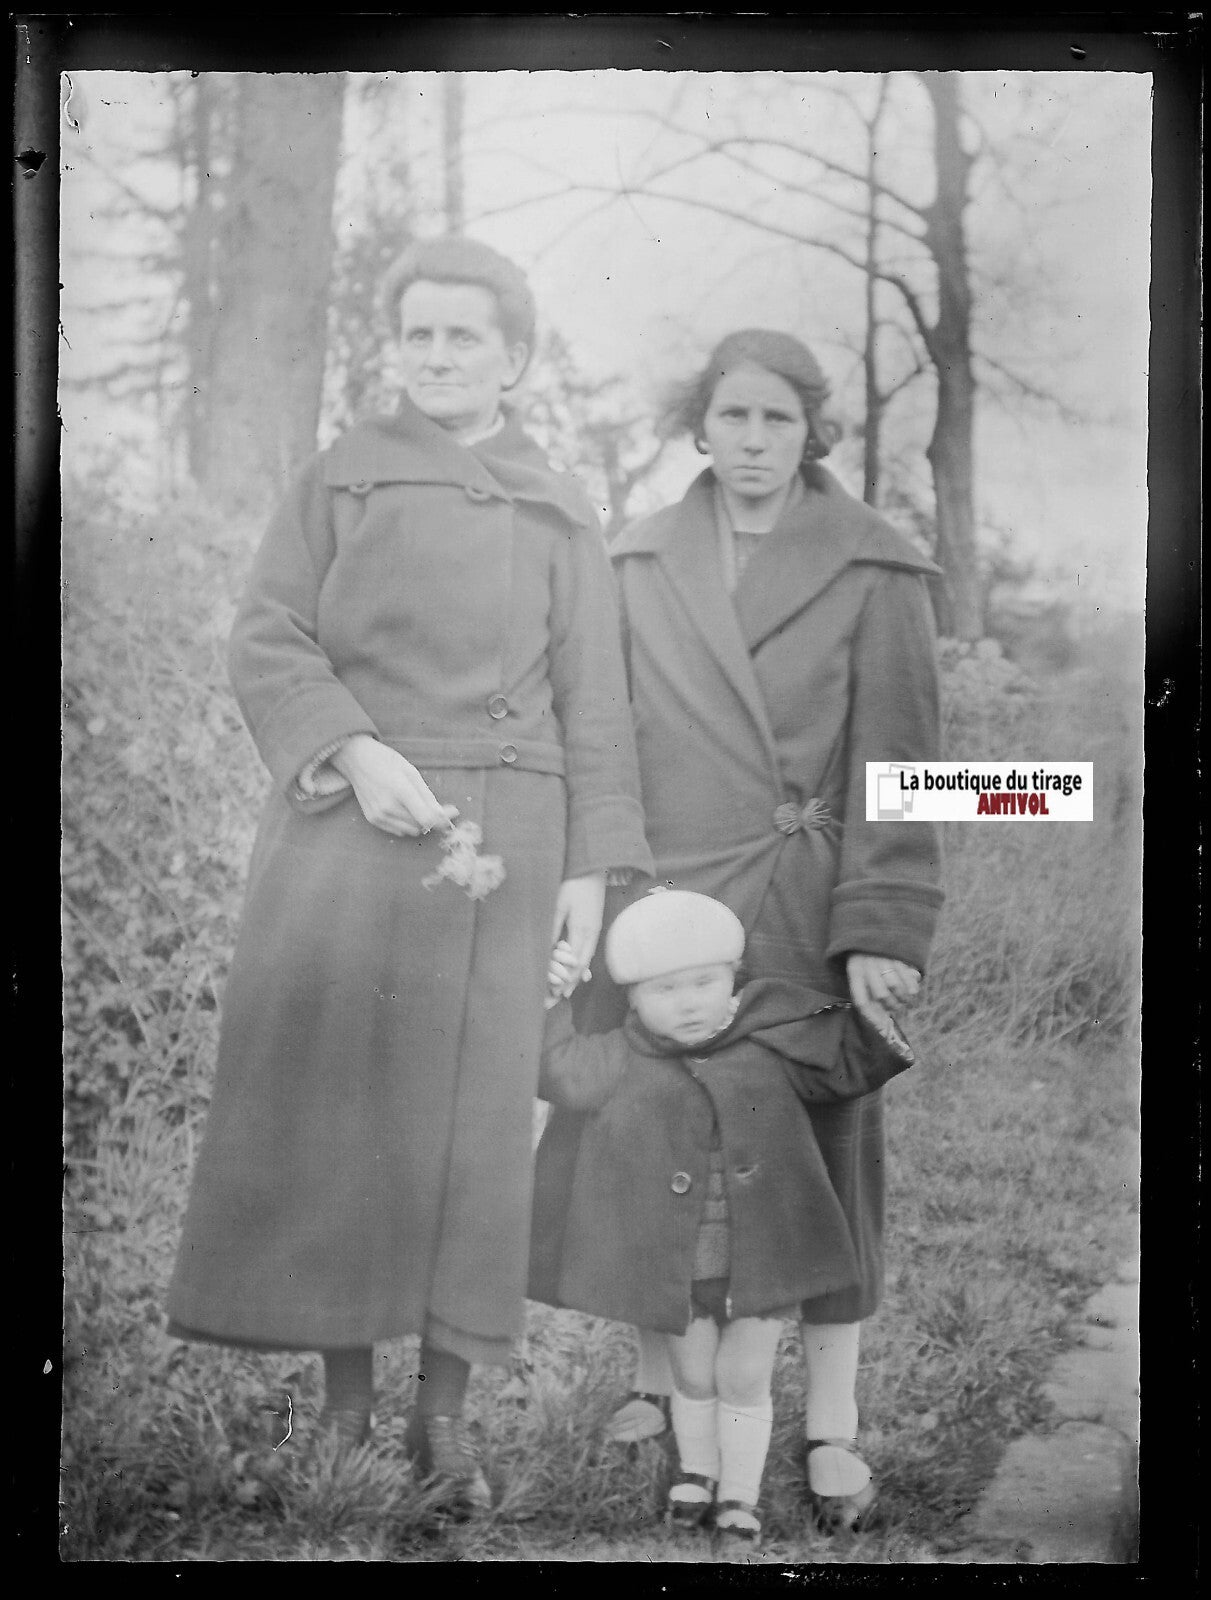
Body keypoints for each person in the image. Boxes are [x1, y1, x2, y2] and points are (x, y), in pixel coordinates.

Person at [166, 236, 652, 1512]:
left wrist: (593, 871)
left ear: (513, 358)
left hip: (506, 839)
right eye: (417, 334)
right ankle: (340, 1405)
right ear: (393, 348)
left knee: (472, 1130)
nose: (436, 356)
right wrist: (352, 748)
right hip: (351, 830)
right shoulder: (342, 477)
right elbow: (266, 633)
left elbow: (596, 700)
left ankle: (444, 1419)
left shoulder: (558, 506)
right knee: (348, 1116)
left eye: (462, 336)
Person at [530, 328, 943, 1534]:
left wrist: (880, 920)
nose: (753, 440)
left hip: (805, 907)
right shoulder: (634, 557)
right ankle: (662, 1386)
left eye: (776, 418)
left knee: (825, 1160)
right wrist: (606, 878)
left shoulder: (876, 564)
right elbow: (600, 731)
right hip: (665, 904)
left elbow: (906, 762)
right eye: (731, 416)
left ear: (811, 431)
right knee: (644, 1134)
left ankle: (829, 1424)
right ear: (698, 427)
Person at [535, 890, 915, 1542]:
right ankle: (697, 1474)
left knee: (741, 1376)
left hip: (760, 1260)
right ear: (631, 998)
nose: (687, 1003)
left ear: (733, 979)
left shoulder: (771, 1043)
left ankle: (739, 1495)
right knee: (692, 1372)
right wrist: (551, 1001)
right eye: (664, 989)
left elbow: (848, 1065)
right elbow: (558, 1071)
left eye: (704, 983)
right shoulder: (620, 1056)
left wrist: (877, 1009)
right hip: (678, 1264)